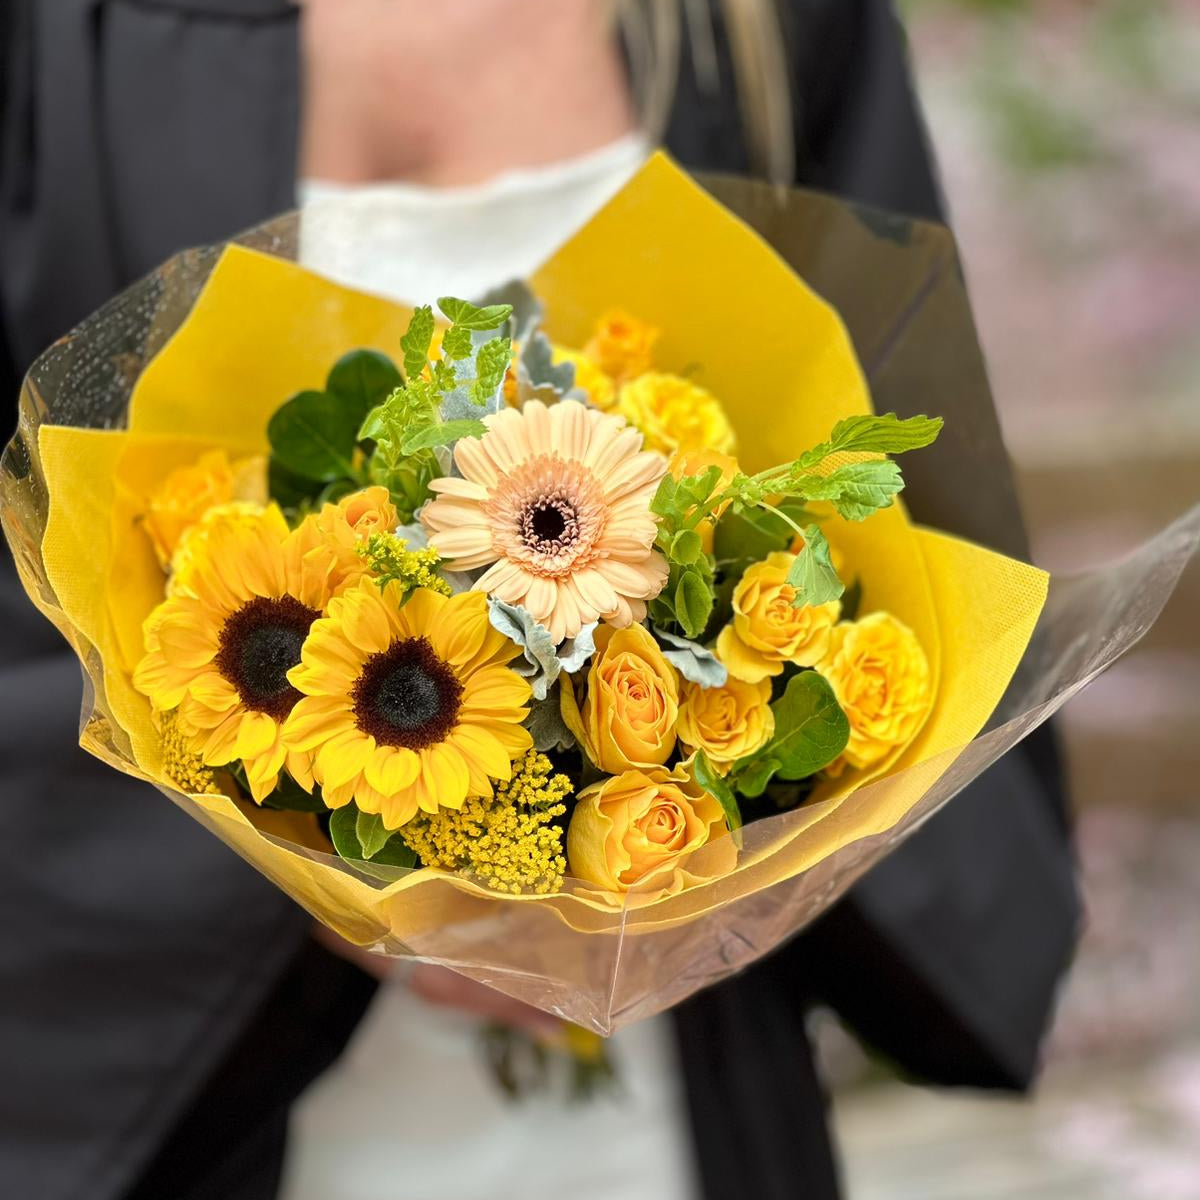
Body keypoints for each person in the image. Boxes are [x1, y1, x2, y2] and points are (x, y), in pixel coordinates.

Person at [0, 3, 1079, 1198]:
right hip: (210, 1079)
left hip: (674, 1092)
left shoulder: (758, 27)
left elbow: (911, 528)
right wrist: (319, 863)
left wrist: (732, 818)